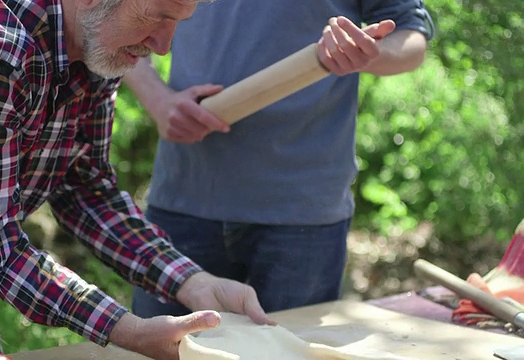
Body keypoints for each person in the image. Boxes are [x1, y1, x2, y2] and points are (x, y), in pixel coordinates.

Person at [0, 0, 273, 359]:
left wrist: (193, 282)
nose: (163, 46)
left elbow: (87, 191)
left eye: (177, 23)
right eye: (156, 16)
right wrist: (129, 330)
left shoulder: (95, 46)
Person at [123, 1, 435, 318]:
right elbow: (118, 17)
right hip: (183, 195)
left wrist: (367, 52)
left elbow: (411, 38)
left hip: (302, 218)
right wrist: (158, 100)